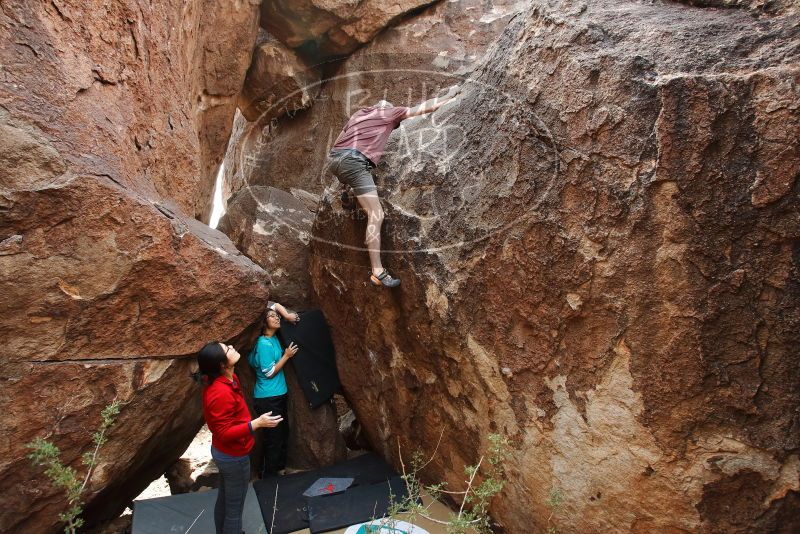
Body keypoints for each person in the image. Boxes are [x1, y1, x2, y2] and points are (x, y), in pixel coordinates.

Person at [328, 85, 461, 288]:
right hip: (354, 162)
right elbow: (422, 108)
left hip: (335, 160)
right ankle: (378, 271)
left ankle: (346, 189)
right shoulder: (389, 113)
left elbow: (338, 142)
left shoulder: (359, 114)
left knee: (351, 175)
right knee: (376, 214)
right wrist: (449, 97)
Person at [197, 341, 283, 534]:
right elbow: (224, 433)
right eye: (226, 349)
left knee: (226, 498)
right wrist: (257, 423)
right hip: (232, 457)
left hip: (227, 453)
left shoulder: (228, 379)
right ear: (222, 364)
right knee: (234, 509)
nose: (230, 346)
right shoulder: (220, 392)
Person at [248, 301, 299, 478]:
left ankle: (279, 469)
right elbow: (269, 372)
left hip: (278, 395)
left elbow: (274, 305)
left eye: (276, 316)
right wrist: (286, 356)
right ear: (263, 323)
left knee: (282, 434)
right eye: (271, 316)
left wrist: (286, 315)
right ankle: (270, 475)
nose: (275, 317)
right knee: (274, 439)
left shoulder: (273, 338)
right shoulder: (264, 344)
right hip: (268, 397)